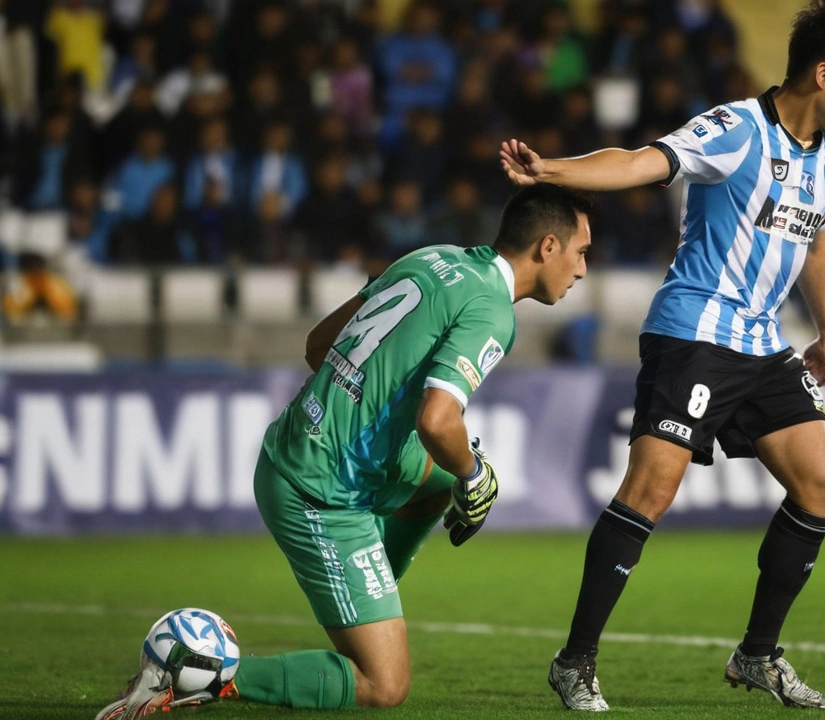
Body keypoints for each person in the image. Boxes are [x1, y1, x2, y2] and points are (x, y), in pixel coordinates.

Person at [499, 0, 825, 711]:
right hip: (694, 334)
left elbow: (816, 238)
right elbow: (645, 161)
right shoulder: (737, 128)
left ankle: (758, 656)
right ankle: (575, 661)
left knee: (821, 484)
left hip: (763, 343)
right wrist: (551, 170)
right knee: (651, 489)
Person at [96, 183, 594, 719]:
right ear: (547, 246)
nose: (583, 269)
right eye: (581, 252)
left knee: (434, 485)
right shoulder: (494, 312)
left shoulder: (431, 257)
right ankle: (205, 675)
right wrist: (474, 473)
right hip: (321, 489)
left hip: (296, 445)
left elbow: (317, 346)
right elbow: (438, 421)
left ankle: (365, 591)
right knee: (385, 684)